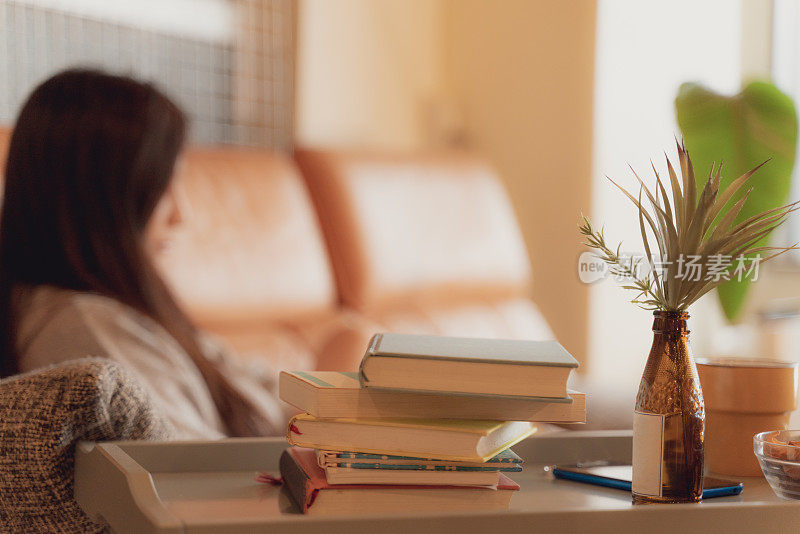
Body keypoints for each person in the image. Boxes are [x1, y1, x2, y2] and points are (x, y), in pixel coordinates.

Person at [0, 69, 286, 439]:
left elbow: (236, 377)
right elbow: (194, 477)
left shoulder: (122, 302)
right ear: (102, 200)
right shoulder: (84, 336)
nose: (182, 216)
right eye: (163, 188)